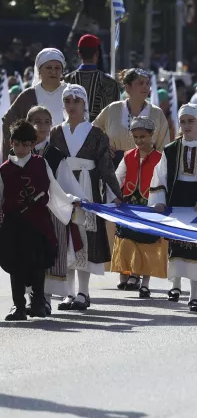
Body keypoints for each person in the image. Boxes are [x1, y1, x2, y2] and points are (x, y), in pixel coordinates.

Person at [49, 84, 123, 311]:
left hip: (86, 191)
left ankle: (83, 292)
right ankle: (68, 293)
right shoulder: (55, 132)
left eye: (76, 101)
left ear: (84, 105)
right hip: (62, 192)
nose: (71, 105)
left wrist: (115, 195)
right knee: (66, 240)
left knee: (85, 239)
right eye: (68, 101)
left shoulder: (96, 134)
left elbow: (106, 168)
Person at [0, 120, 80, 321]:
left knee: (37, 265)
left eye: (25, 144)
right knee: (16, 267)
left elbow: (54, 189)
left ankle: (37, 304)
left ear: (32, 145)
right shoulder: (4, 169)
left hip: (37, 224)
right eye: (17, 143)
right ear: (11, 143)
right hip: (13, 226)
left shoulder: (40, 163)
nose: (20, 148)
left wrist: (71, 201)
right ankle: (18, 306)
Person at [149, 103, 197, 312]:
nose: (186, 125)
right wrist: (159, 200)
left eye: (191, 121)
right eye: (183, 122)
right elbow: (160, 175)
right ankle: (175, 286)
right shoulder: (171, 149)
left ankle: (195, 296)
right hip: (177, 200)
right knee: (176, 246)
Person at [27, 105, 87, 311]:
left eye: (46, 121)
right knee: (28, 254)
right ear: (28, 124)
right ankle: (29, 299)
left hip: (51, 213)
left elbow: (66, 183)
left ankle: (44, 299)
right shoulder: (20, 150)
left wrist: (77, 200)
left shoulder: (55, 154)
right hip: (27, 214)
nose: (42, 125)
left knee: (48, 255)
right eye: (37, 120)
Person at [110, 117, 169, 298]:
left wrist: (161, 202)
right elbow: (117, 178)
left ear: (152, 135)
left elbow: (165, 182)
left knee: (147, 244)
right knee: (127, 241)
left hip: (150, 206)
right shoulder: (128, 156)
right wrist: (115, 197)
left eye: (143, 136)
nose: (139, 141)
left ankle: (145, 283)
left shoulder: (161, 158)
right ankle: (129, 274)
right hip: (129, 205)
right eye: (135, 137)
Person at [94, 68, 171, 166]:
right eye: (140, 83)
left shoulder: (157, 113)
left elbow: (164, 148)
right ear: (127, 88)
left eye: (147, 83)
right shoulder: (112, 109)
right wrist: (103, 147)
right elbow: (92, 132)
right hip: (113, 170)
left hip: (146, 170)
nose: (146, 87)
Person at [2, 48, 67, 161]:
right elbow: (8, 123)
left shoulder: (70, 93)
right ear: (39, 70)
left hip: (66, 158)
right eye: (48, 67)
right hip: (33, 161)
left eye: (57, 68)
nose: (53, 71)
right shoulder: (28, 96)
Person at [63, 34, 120, 122]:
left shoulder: (67, 80)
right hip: (101, 134)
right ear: (97, 54)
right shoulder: (110, 83)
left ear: (79, 54)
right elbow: (114, 116)